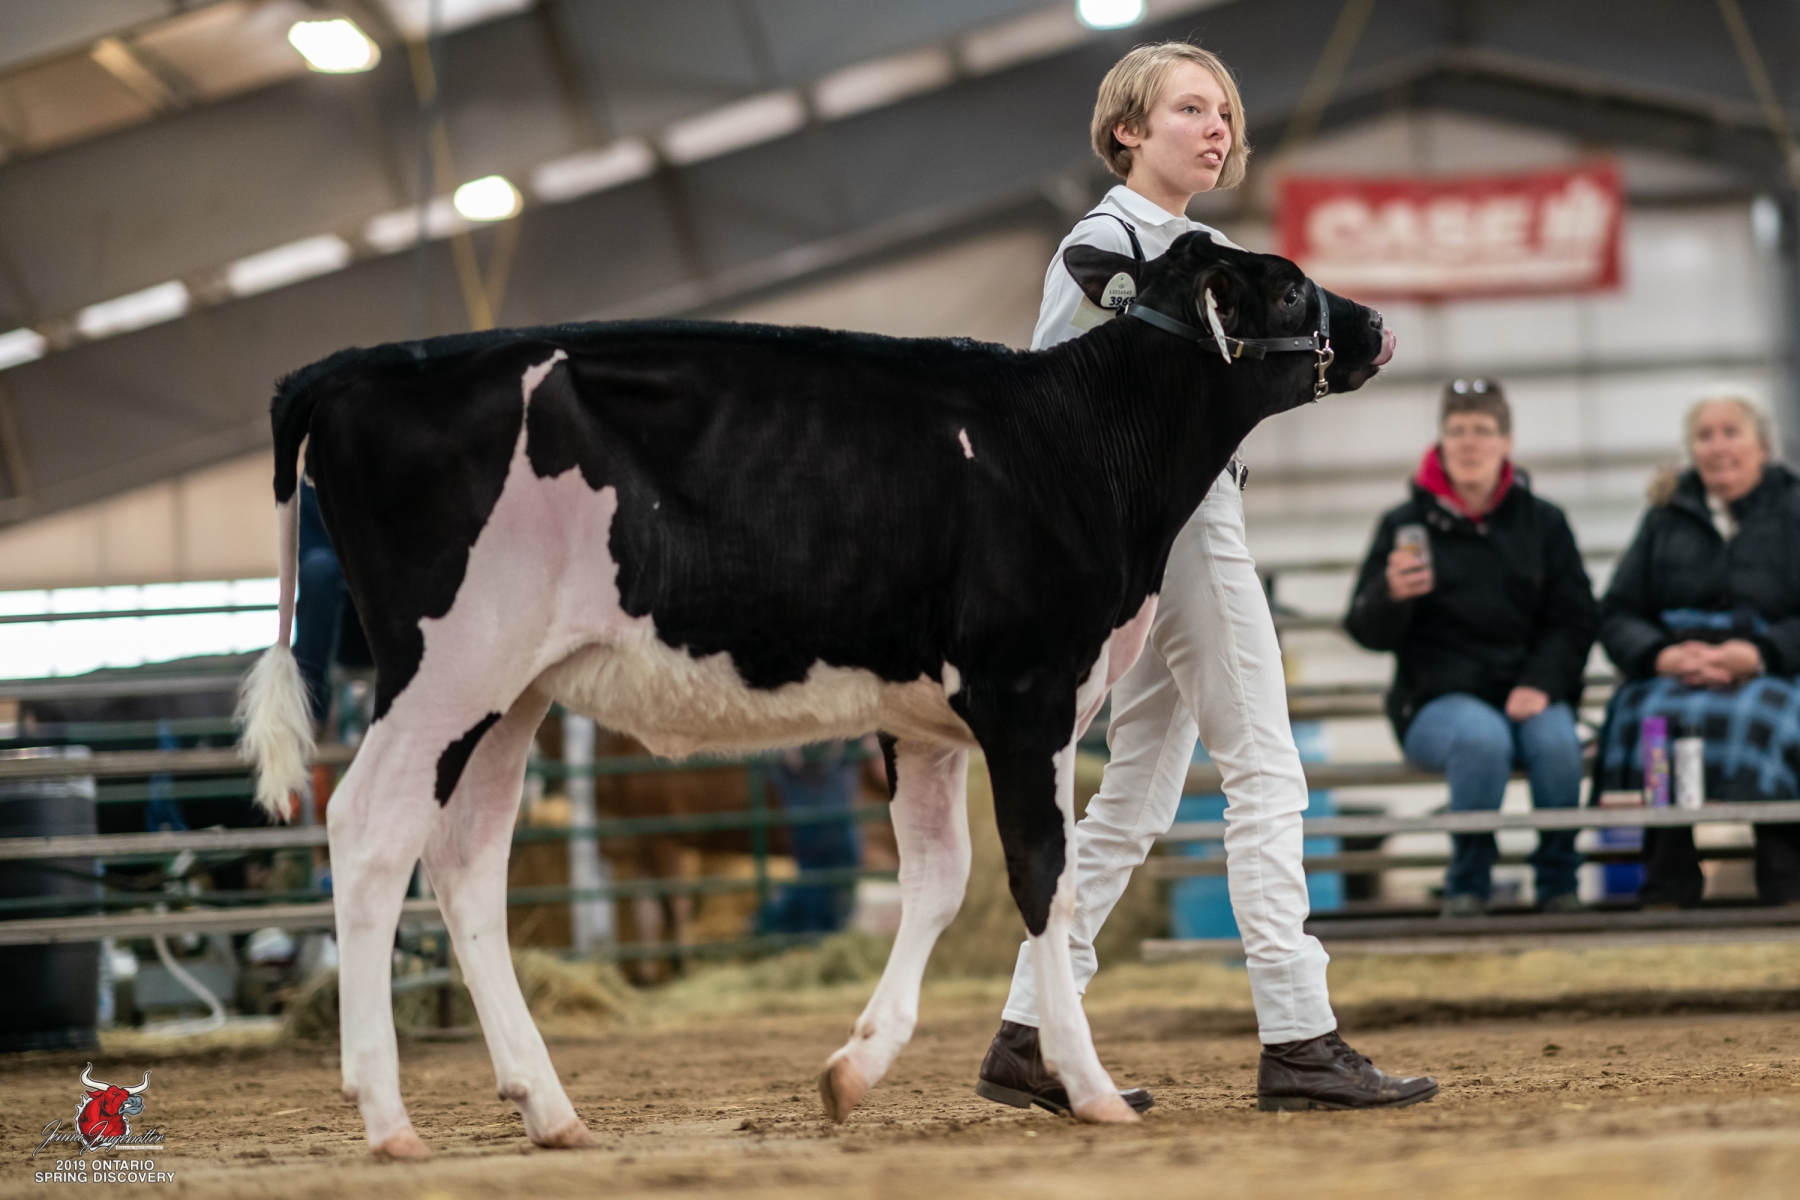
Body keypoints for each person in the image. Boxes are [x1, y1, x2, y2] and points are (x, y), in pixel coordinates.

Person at [975, 41, 1435, 1116]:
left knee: (1135, 797)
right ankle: (1298, 1034)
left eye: (1224, 110)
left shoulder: (1211, 249)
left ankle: (1030, 1033)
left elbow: (1290, 350)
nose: (1217, 126)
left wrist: (1339, 342)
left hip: (1156, 531)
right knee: (1265, 767)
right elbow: (1085, 385)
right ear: (1129, 130)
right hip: (1174, 523)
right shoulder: (1105, 242)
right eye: (1190, 109)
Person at [1346, 380, 1597, 918]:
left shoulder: (1544, 523)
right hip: (1436, 702)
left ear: (1507, 442)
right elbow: (1365, 630)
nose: (1468, 443)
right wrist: (1390, 595)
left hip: (1527, 693)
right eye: (1456, 430)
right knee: (1482, 739)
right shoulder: (1404, 524)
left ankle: (1559, 887)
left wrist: (1542, 683)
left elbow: (1574, 619)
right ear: (1440, 441)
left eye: (1482, 430)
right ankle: (1468, 887)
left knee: (1559, 744)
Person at [1596, 393, 1800, 907]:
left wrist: (1759, 655)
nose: (1718, 447)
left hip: (1774, 671)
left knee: (1767, 719)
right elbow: (1618, 611)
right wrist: (1660, 657)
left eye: (1731, 432)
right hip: (1676, 671)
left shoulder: (1793, 508)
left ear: (1763, 446)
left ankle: (1787, 879)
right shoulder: (1665, 516)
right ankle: (1668, 882)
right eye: (1705, 436)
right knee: (1653, 719)